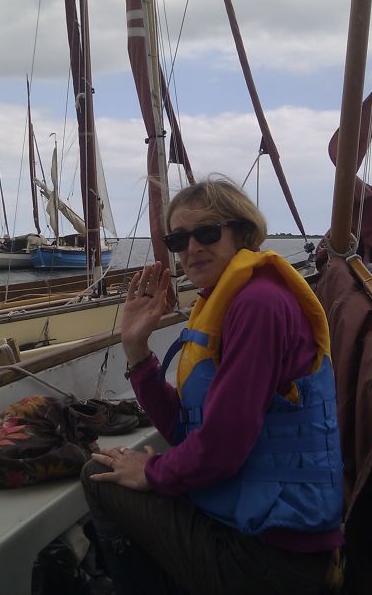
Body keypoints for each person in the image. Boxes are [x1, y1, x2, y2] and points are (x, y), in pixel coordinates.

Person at [81, 178, 343, 595]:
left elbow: (222, 445)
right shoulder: (228, 300)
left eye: (206, 233)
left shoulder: (258, 304)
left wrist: (152, 471)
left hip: (270, 559)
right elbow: (186, 431)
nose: (191, 248)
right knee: (119, 467)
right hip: (247, 528)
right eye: (177, 239)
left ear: (242, 233)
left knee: (97, 474)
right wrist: (136, 349)